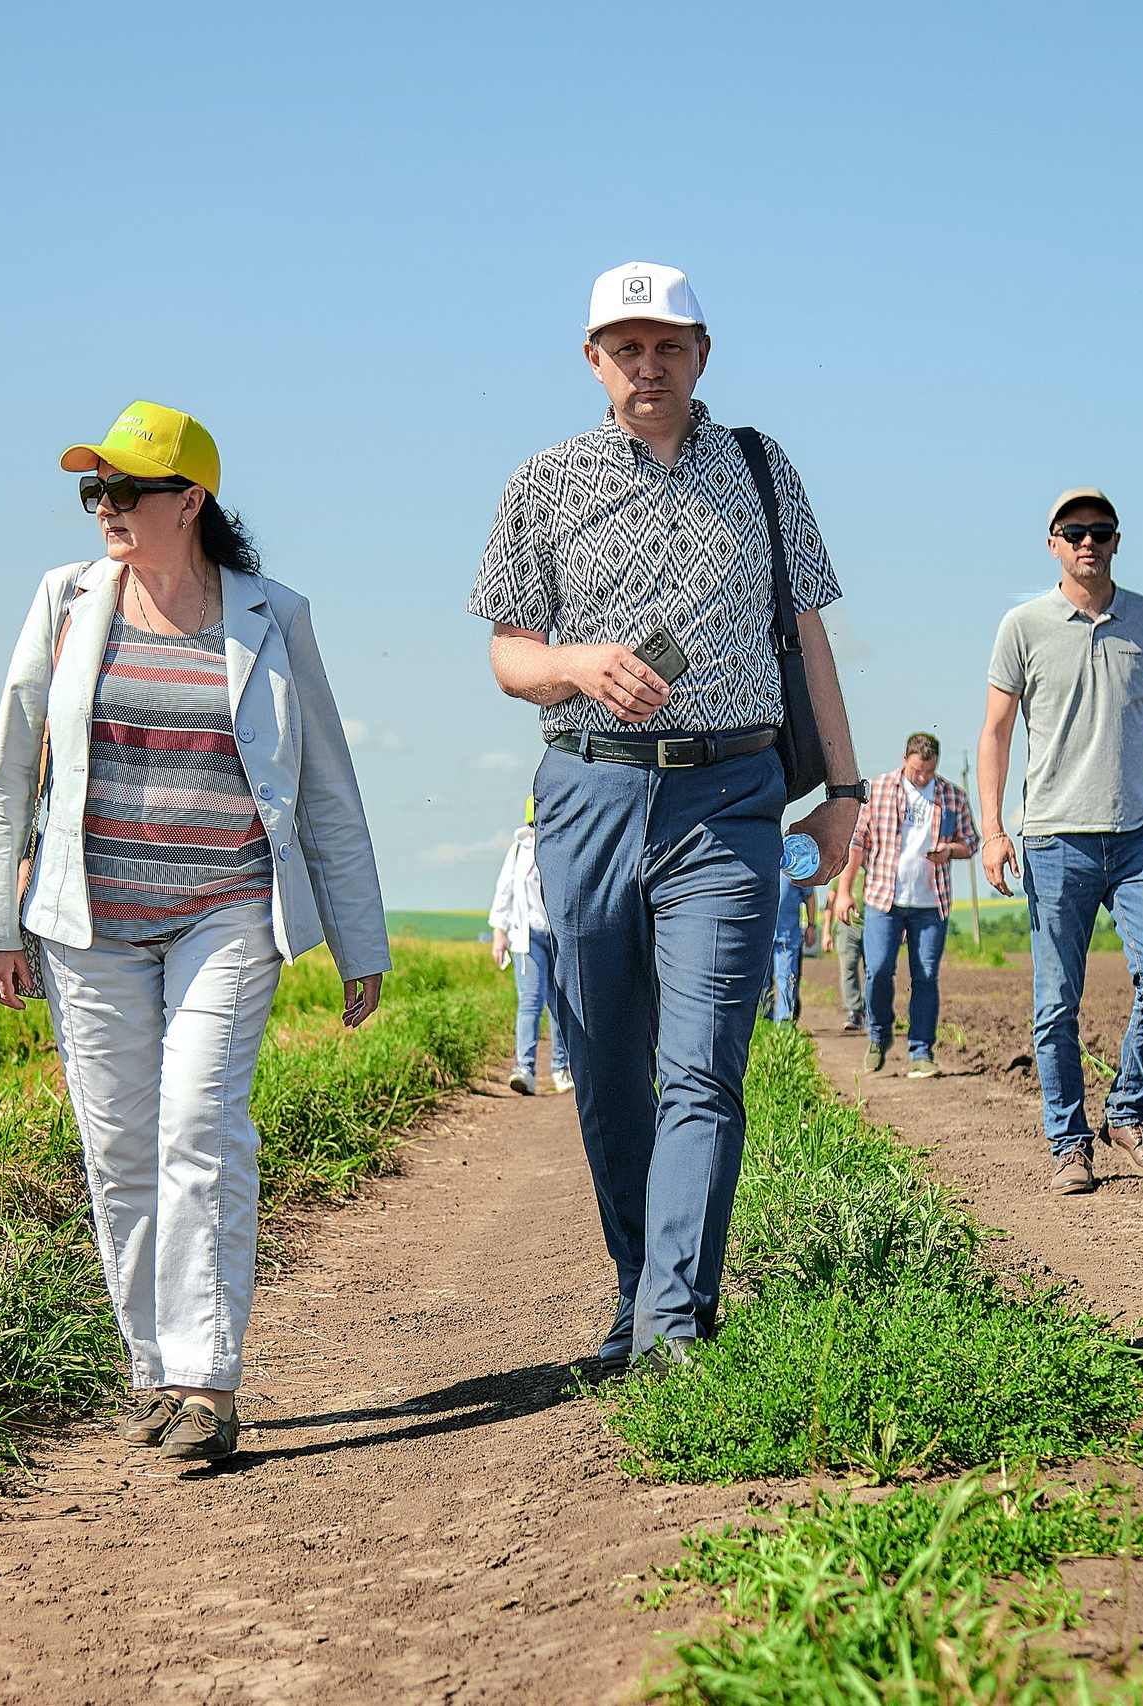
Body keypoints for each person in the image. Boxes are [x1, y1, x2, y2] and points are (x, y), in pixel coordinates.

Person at [0, 401, 391, 1462]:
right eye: (93, 492)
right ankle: (151, 1368)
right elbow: (11, 766)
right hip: (86, 919)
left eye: (126, 490)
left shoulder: (271, 615)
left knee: (200, 1126)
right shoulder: (64, 601)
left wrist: (360, 937)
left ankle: (207, 1381)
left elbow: (327, 783)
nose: (105, 509)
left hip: (228, 909)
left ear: (189, 498)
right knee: (120, 1150)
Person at [469, 261, 865, 1371]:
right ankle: (637, 1283)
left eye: (670, 345)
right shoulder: (541, 482)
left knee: (701, 1065)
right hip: (587, 791)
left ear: (701, 354)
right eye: (626, 347)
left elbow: (809, 634)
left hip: (729, 796)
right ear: (592, 360)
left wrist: (842, 792)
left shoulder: (758, 464)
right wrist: (577, 665)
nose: (650, 366)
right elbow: (506, 653)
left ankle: (675, 1325)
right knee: (604, 1064)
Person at [976, 488, 1143, 1193]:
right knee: (1055, 1003)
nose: (1087, 543)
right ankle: (1070, 1146)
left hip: (1141, 838)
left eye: (1100, 531)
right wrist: (991, 831)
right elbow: (996, 733)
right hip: (1053, 840)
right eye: (1074, 532)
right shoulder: (1023, 625)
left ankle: (1128, 1114)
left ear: (1116, 540)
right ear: (1052, 543)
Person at [837, 732, 979, 1077]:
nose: (923, 777)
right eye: (917, 770)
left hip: (931, 903)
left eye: (929, 772)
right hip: (883, 900)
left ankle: (920, 1052)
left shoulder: (951, 797)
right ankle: (879, 1034)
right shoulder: (881, 790)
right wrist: (843, 892)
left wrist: (949, 852)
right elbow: (857, 842)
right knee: (879, 970)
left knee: (926, 976)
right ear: (905, 759)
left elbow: (970, 842)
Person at [489, 796, 571, 1095]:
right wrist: (499, 934)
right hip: (528, 936)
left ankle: (561, 1070)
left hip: (561, 938)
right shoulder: (518, 852)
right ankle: (525, 1070)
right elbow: (504, 893)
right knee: (531, 1002)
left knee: (561, 1007)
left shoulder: (565, 845)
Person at [765, 870, 820, 1025]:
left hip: (787, 937)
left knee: (786, 981)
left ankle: (785, 1025)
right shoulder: (761, 860)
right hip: (763, 937)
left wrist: (811, 926)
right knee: (762, 983)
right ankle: (764, 1022)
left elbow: (809, 896)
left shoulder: (795, 865)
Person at [822, 879, 865, 1033]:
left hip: (873, 924)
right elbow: (831, 901)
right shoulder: (844, 872)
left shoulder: (877, 865)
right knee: (848, 968)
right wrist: (826, 931)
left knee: (875, 969)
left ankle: (873, 1010)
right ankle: (855, 1012)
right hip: (848, 925)